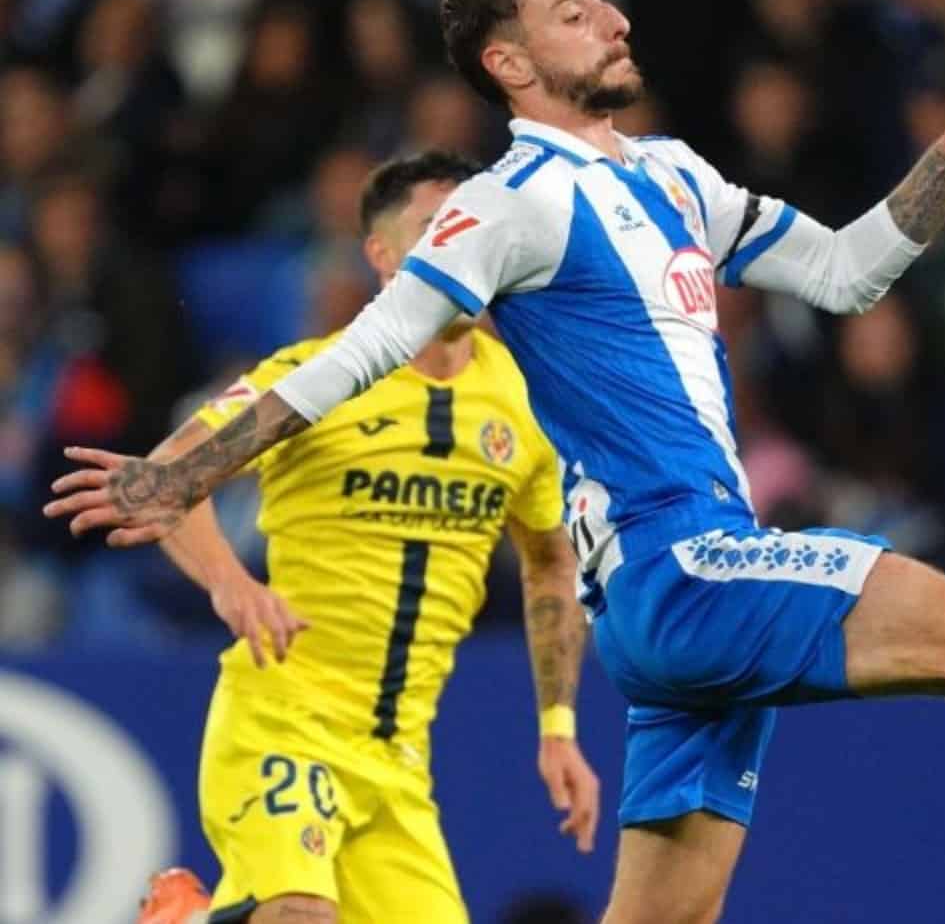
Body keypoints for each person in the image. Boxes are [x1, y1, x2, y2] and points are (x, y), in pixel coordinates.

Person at [50, 0, 945, 924]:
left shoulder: (676, 176)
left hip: (684, 595)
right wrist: (182, 473)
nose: (611, 16)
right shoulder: (509, 204)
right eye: (573, 10)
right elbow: (364, 350)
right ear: (510, 63)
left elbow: (848, 273)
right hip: (678, 565)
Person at [132, 150, 600, 924]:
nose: (464, 248)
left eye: (477, 229)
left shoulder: (524, 399)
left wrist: (559, 726)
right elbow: (167, 473)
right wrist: (230, 582)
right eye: (438, 228)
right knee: (301, 914)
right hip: (285, 717)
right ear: (383, 256)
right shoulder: (316, 378)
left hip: (398, 759)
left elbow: (551, 559)